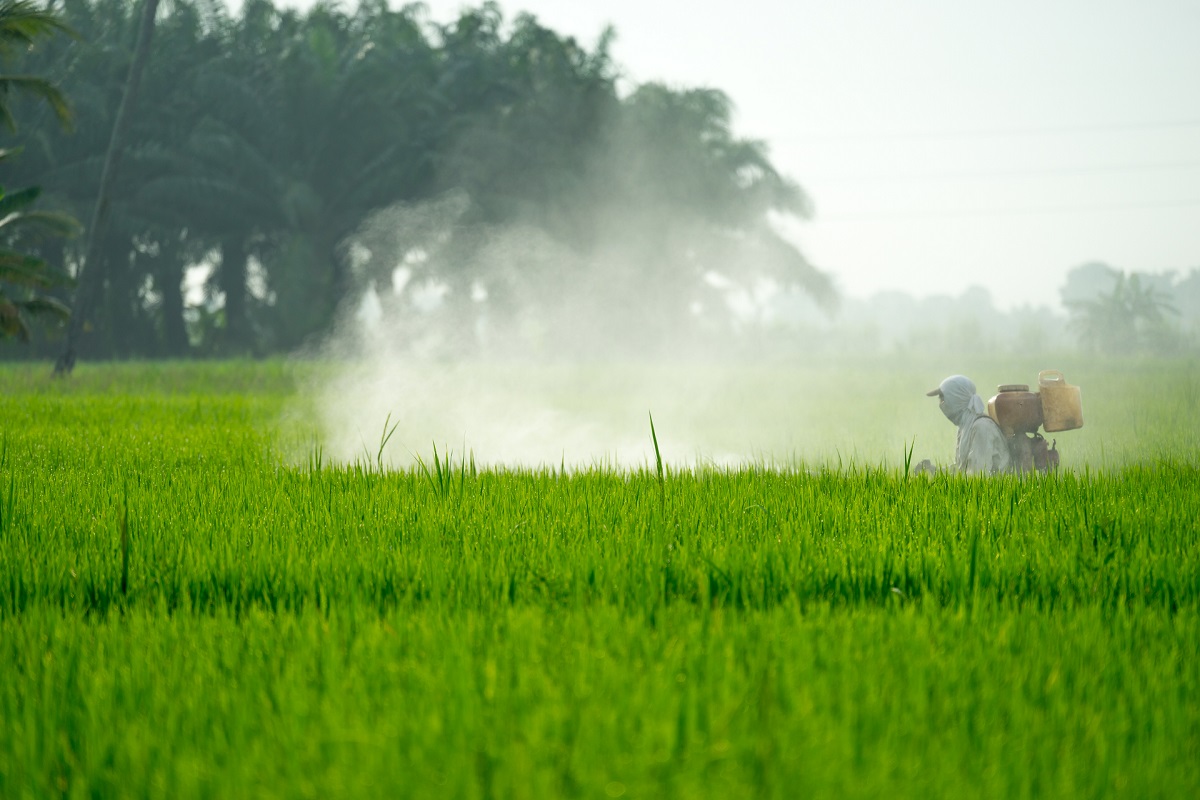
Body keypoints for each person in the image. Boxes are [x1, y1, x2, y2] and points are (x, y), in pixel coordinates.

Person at [914, 375, 1012, 475]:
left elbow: (978, 476)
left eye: (943, 398)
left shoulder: (982, 428)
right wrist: (935, 471)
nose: (941, 405)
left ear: (956, 398)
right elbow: (962, 469)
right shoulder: (965, 428)